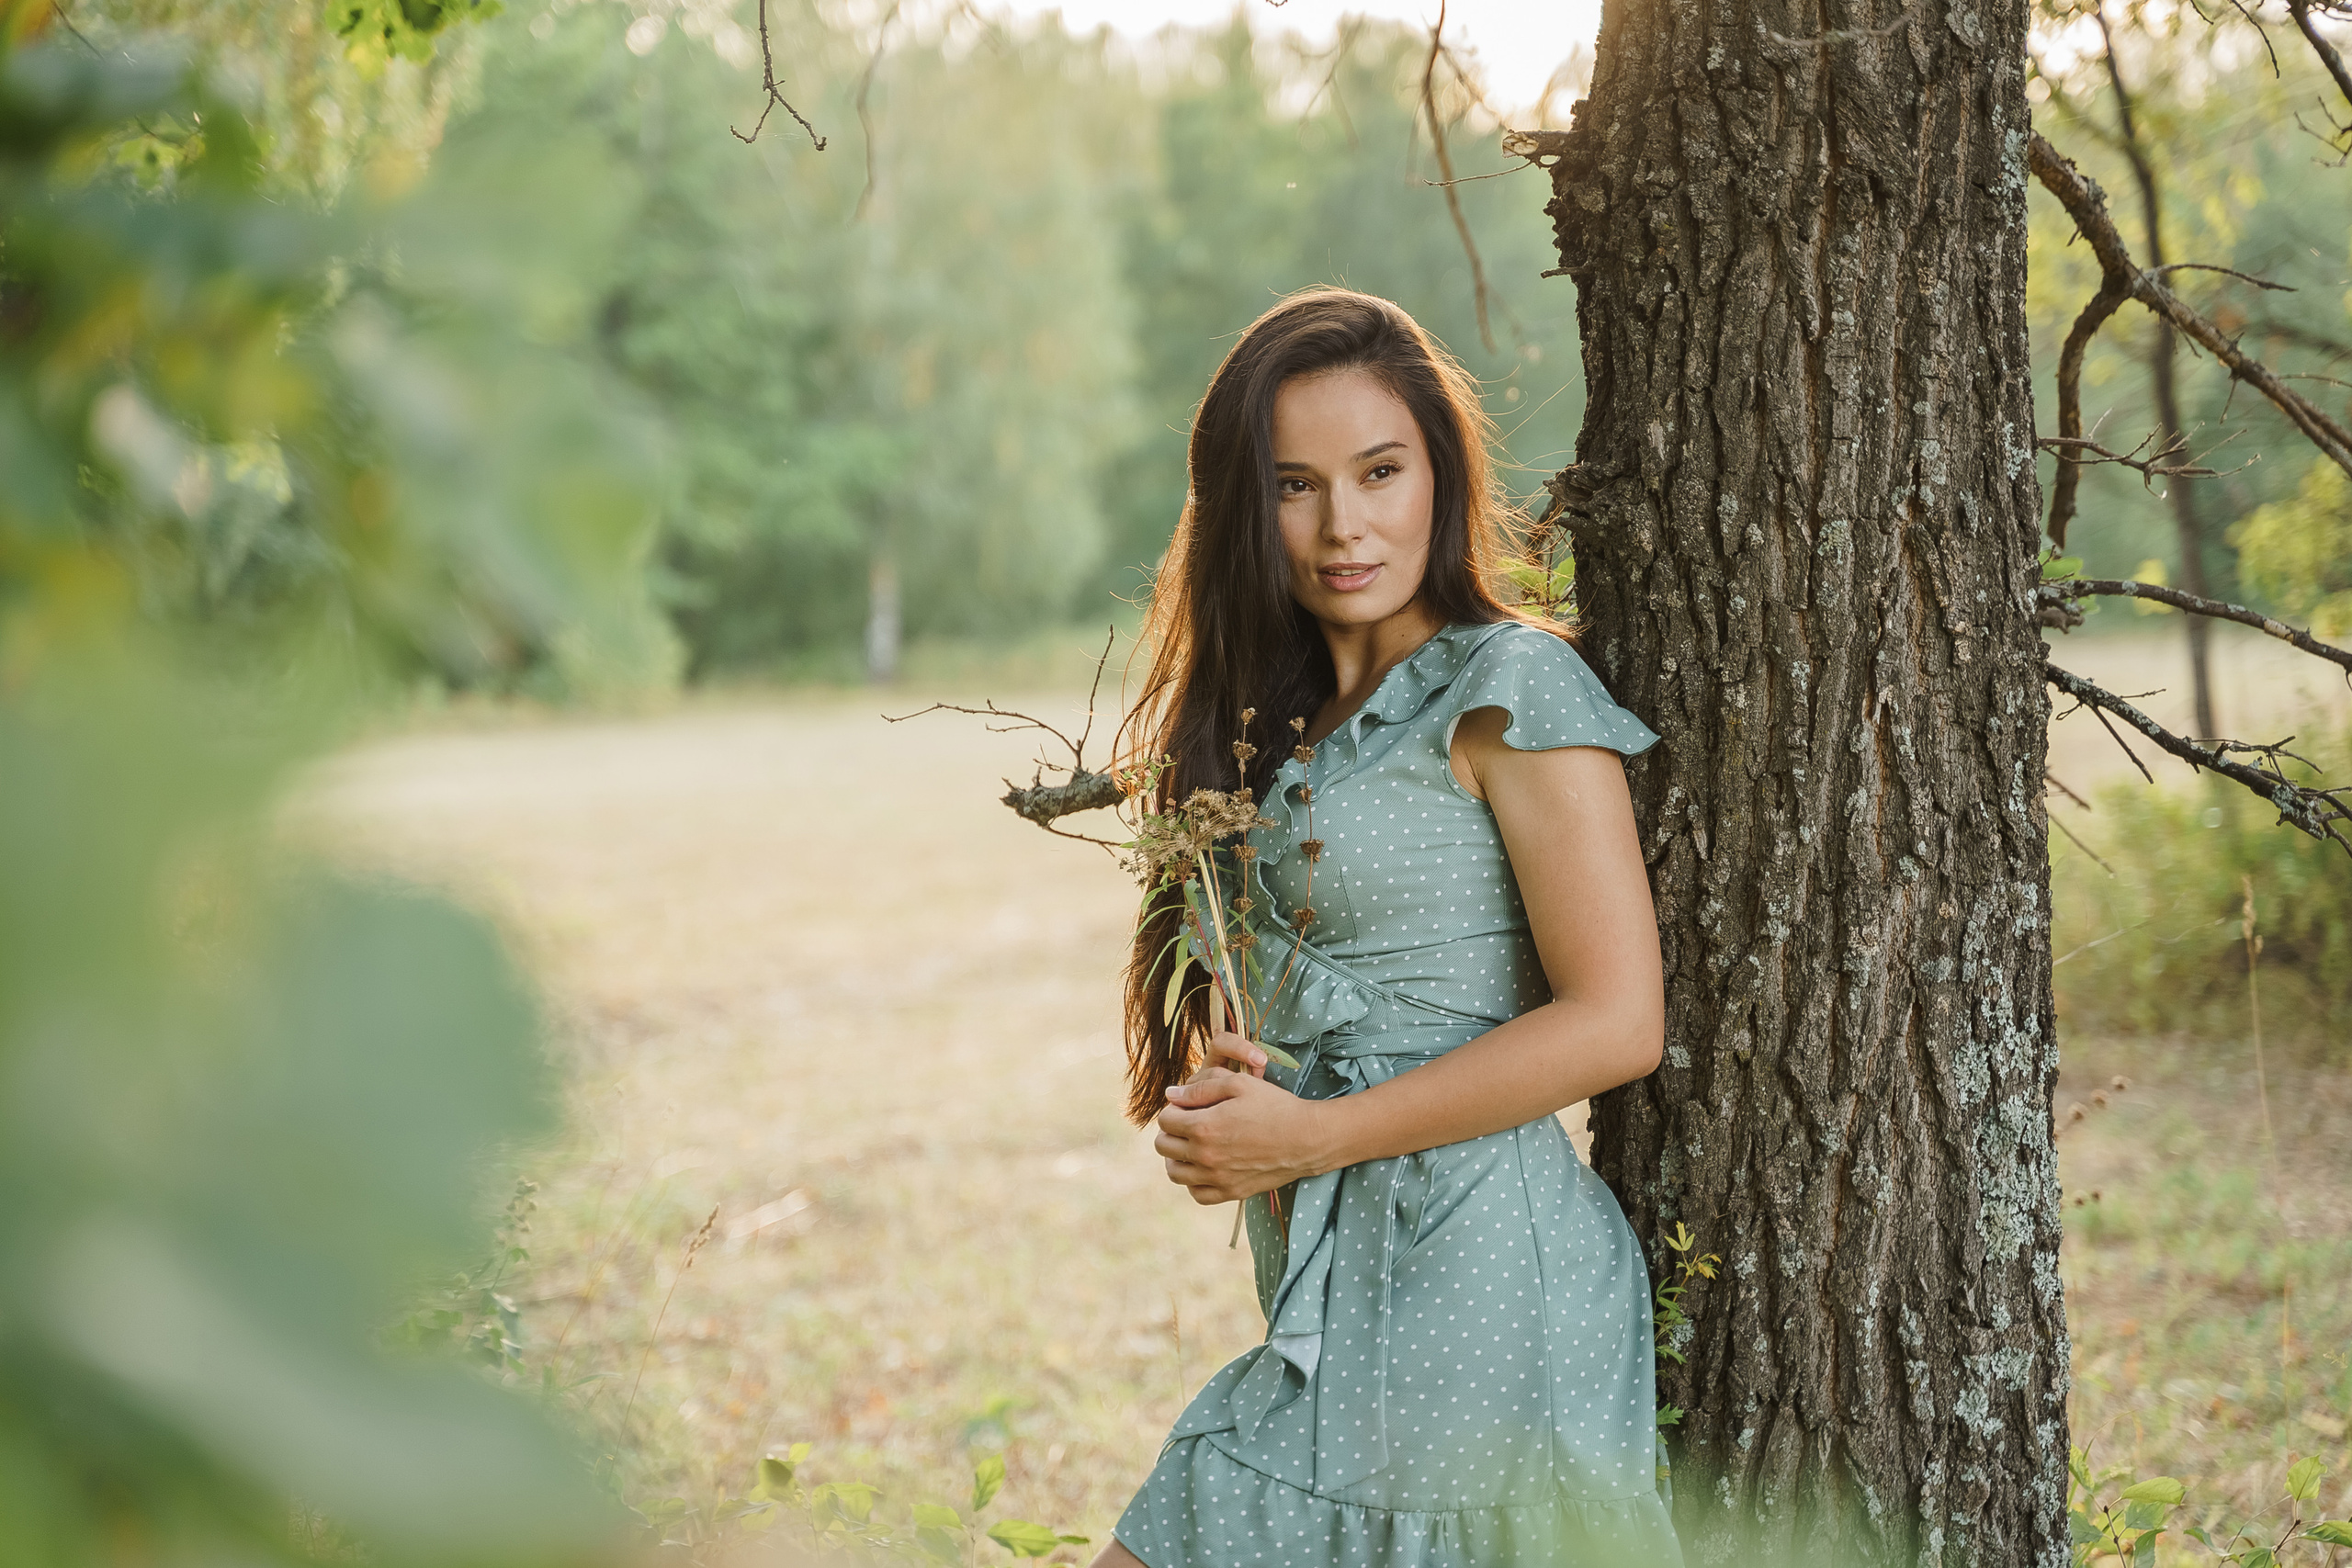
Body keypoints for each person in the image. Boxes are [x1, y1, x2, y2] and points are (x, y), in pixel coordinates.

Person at [1094, 289, 1684, 1567]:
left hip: (1481, 1275)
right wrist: (1233, 1107)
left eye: (1380, 471)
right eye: (1296, 485)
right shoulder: (1267, 722)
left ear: (1441, 471)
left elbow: (1617, 1019)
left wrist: (1314, 1134)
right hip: (1330, 1276)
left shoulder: (1509, 686)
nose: (1343, 524)